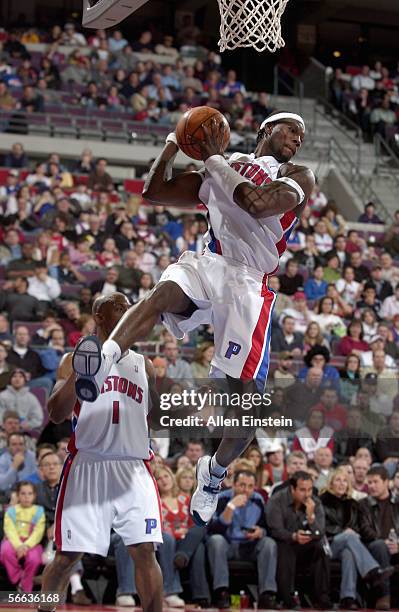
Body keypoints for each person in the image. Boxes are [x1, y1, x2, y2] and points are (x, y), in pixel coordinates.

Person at [71, 110, 315, 525]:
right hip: (210, 261)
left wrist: (213, 160)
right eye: (290, 129)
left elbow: (257, 204)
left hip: (249, 282)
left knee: (247, 410)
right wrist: (173, 142)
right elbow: (155, 191)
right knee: (162, 293)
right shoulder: (225, 161)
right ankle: (105, 359)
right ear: (266, 130)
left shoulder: (299, 174)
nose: (297, 137)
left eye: (301, 134)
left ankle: (214, 474)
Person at [37, 292, 164, 612]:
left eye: (128, 307)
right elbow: (56, 412)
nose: (127, 311)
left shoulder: (143, 364)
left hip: (133, 467)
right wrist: (80, 373)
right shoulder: (72, 359)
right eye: (118, 307)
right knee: (66, 557)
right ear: (100, 317)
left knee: (145, 550)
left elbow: (153, 416)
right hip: (89, 465)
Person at [320, 468, 394, 610]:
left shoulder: (353, 504)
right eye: (338, 480)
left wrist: (351, 533)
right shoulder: (322, 501)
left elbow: (357, 528)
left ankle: (348, 598)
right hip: (328, 544)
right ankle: (373, 571)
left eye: (344, 481)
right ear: (331, 483)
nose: (341, 484)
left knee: (349, 554)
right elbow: (322, 527)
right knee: (349, 536)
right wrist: (343, 531)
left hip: (349, 544)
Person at [207, 469, 278, 609]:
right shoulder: (221, 498)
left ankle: (267, 594)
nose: (246, 490)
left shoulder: (258, 499)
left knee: (269, 543)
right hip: (228, 545)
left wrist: (260, 532)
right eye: (242, 485)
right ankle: (221, 592)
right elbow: (214, 529)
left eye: (250, 486)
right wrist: (231, 506)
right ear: (233, 484)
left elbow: (265, 527)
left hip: (249, 545)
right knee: (216, 540)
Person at [266, 471, 331, 609]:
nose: (307, 494)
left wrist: (311, 518)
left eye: (309, 490)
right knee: (285, 546)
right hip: (284, 543)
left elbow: (320, 532)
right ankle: (287, 598)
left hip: (305, 546)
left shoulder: (315, 503)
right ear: (292, 489)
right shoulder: (277, 500)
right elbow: (275, 530)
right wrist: (294, 536)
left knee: (320, 547)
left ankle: (322, 597)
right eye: (302, 490)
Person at [359, 466, 399, 610]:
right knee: (380, 546)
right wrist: (384, 541)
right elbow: (365, 529)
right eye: (369, 483)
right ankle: (384, 595)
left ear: (387, 482)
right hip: (372, 547)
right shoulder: (363, 504)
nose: (372, 486)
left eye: (375, 482)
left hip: (397, 546)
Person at [1, 481, 45, 592]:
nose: (26, 497)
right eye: (23, 493)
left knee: (34, 559)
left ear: (34, 496)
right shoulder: (11, 511)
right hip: (14, 541)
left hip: (31, 543)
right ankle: (20, 578)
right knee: (5, 552)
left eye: (29, 494)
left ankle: (25, 587)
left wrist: (25, 546)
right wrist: (19, 546)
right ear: (18, 495)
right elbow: (9, 530)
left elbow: (38, 532)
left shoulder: (39, 511)